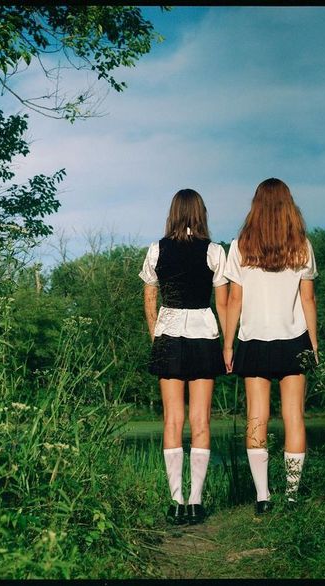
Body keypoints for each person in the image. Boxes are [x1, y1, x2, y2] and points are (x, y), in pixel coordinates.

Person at [223, 178, 319, 515]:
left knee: (256, 417)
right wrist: (314, 345)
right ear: (289, 205)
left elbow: (235, 299)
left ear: (256, 206)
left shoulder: (240, 247)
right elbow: (308, 299)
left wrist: (228, 344)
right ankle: (292, 497)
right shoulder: (303, 246)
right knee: (294, 416)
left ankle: (263, 497)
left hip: (253, 339)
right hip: (294, 339)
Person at [139, 189, 228, 525]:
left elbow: (149, 298)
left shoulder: (156, 250)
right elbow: (222, 303)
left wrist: (156, 334)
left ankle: (176, 500)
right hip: (204, 336)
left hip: (169, 335)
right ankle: (196, 502)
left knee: (173, 421)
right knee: (201, 421)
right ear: (200, 213)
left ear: (173, 212)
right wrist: (228, 341)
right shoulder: (215, 252)